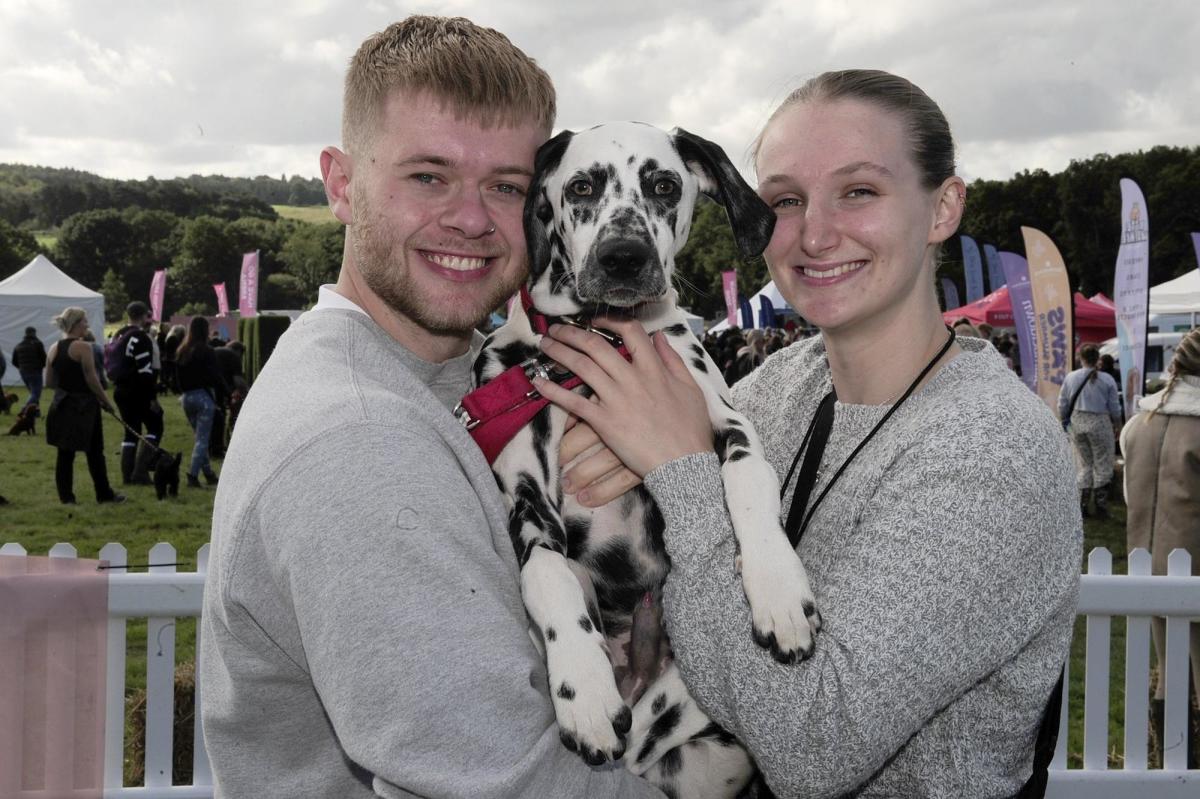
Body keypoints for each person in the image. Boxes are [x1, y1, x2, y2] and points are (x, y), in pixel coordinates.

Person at [534, 69, 1081, 797]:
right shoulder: (773, 389)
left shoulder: (989, 450)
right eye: (786, 200)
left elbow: (814, 751)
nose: (816, 234)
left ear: (945, 206)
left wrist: (678, 469)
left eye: (859, 191)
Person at [198, 17, 664, 798]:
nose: (473, 218)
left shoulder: (446, 375)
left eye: (508, 187)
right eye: (428, 176)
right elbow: (510, 783)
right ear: (342, 185)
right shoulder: (357, 440)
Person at [1120, 327, 1200, 763]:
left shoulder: (1139, 424)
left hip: (1146, 562)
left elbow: (1133, 495)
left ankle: (1168, 756)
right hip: (1194, 566)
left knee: (1170, 670)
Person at [43, 307, 124, 505]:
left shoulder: (54, 347)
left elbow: (49, 382)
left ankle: (66, 497)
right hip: (84, 406)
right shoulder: (83, 347)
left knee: (65, 454)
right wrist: (106, 401)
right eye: (84, 322)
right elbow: (92, 378)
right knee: (95, 452)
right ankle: (104, 494)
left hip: (62, 405)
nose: (87, 325)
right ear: (76, 324)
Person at [1059, 343, 1122, 518]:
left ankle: (1083, 505)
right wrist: (1118, 424)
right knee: (1102, 463)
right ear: (1098, 359)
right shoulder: (1107, 379)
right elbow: (1114, 407)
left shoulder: (1071, 377)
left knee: (1084, 463)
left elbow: (1062, 403)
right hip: (1100, 421)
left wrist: (1064, 419)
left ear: (1081, 358)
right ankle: (1101, 506)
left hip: (1077, 421)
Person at [110, 301, 164, 485]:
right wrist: (152, 398)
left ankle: (127, 474)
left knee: (130, 431)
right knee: (155, 426)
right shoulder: (140, 338)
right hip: (137, 390)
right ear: (143, 316)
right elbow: (145, 371)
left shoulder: (118, 335)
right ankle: (141, 471)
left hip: (120, 389)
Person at [175, 316, 224, 488]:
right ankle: (193, 475)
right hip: (203, 398)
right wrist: (226, 392)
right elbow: (215, 376)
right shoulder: (206, 351)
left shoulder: (182, 350)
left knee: (199, 438)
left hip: (187, 398)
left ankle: (208, 473)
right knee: (202, 440)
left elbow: (177, 378)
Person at [12, 326, 47, 410]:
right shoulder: (38, 343)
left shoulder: (18, 345)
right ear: (34, 333)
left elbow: (14, 361)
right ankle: (24, 409)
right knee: (36, 394)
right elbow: (44, 358)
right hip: (35, 371)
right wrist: (41, 367)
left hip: (24, 372)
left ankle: (36, 412)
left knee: (33, 393)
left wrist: (22, 368)